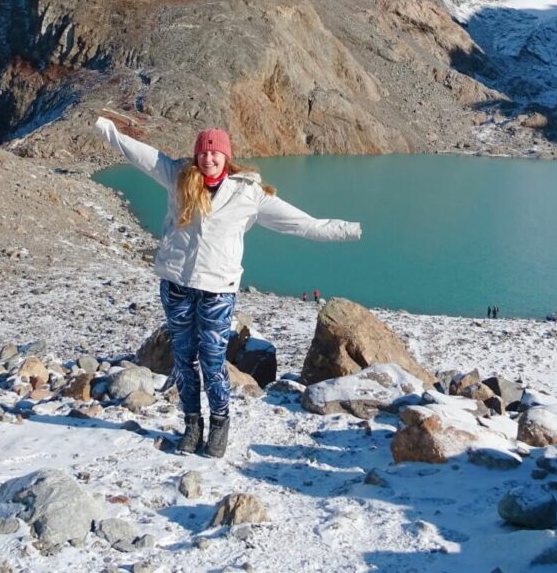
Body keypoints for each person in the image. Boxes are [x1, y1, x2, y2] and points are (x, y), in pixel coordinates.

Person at [96, 113, 361, 458]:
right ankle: (192, 424)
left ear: (226, 156)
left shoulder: (248, 193)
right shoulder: (178, 177)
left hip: (217, 289)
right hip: (176, 283)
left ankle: (219, 423)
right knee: (185, 360)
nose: (209, 158)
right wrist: (108, 131)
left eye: (215, 153)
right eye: (203, 152)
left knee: (213, 360)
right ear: (197, 155)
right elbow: (142, 155)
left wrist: (347, 230)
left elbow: (299, 223)